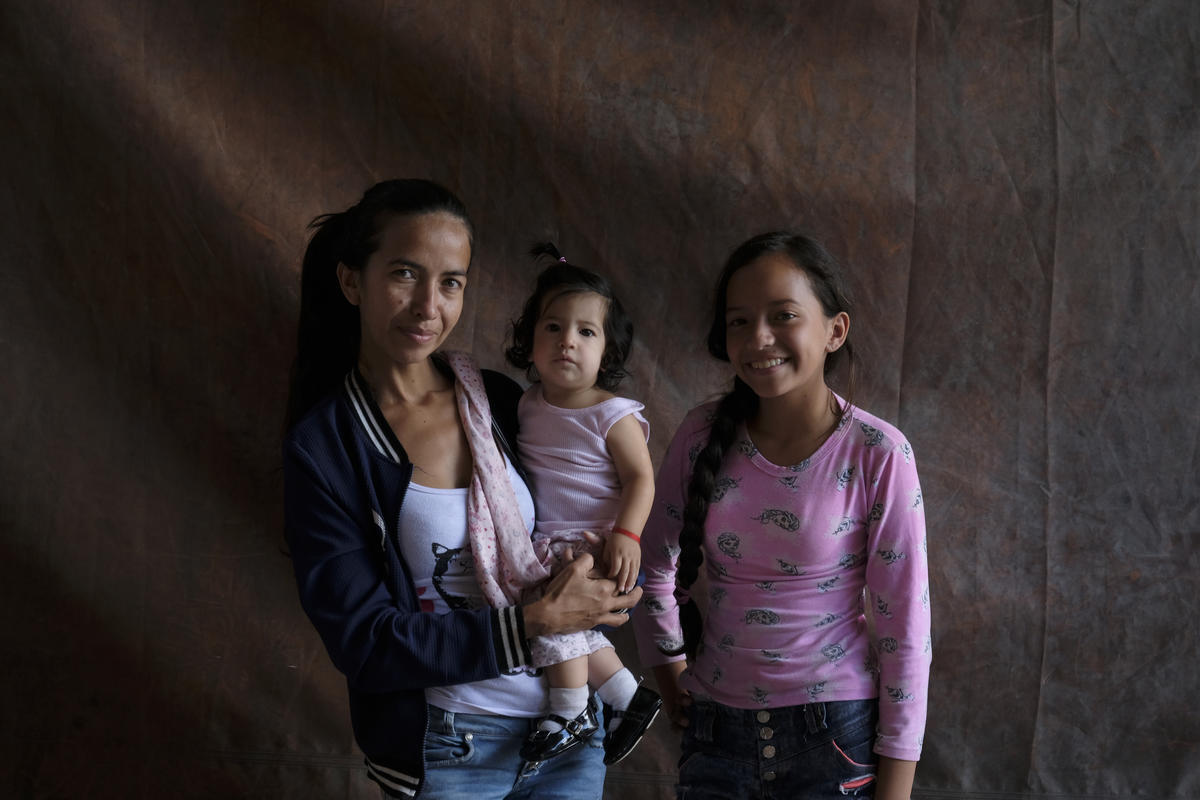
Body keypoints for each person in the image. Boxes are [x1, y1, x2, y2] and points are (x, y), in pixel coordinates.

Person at [282, 179, 640, 800]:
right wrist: (533, 622)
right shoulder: (328, 446)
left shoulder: (500, 401)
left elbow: (577, 508)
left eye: (450, 282)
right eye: (404, 274)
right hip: (452, 746)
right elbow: (366, 643)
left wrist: (605, 570)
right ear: (351, 281)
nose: (429, 306)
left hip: (569, 730)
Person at [632, 232, 931, 799]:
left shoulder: (878, 453)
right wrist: (670, 677)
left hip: (835, 740)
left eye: (783, 315)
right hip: (714, 735)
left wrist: (895, 790)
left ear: (835, 330)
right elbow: (651, 568)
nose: (759, 338)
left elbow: (905, 633)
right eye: (739, 321)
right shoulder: (700, 436)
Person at [502, 245, 663, 765]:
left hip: (598, 544)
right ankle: (626, 696)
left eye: (586, 332)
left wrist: (628, 535)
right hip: (548, 542)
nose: (567, 340)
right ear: (529, 341)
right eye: (553, 327)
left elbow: (641, 478)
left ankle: (570, 708)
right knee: (544, 612)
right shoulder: (527, 404)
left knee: (557, 616)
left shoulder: (612, 414)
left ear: (607, 354)